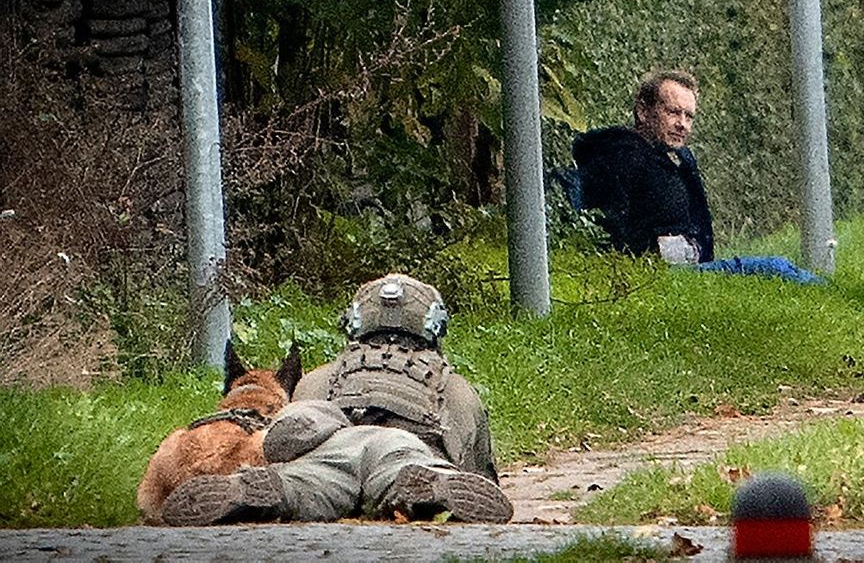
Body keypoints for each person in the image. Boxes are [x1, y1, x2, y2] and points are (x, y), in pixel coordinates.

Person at [160, 273, 513, 526]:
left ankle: (262, 488)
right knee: (400, 472)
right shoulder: (455, 387)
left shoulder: (322, 376)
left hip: (333, 444)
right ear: (433, 327)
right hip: (402, 446)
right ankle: (429, 482)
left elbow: (294, 434)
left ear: (355, 325)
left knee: (306, 484)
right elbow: (478, 473)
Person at [572, 69, 715, 263]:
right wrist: (677, 250)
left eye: (688, 116)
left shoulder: (678, 158)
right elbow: (613, 234)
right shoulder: (619, 157)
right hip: (663, 267)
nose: (683, 124)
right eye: (673, 112)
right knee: (768, 267)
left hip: (695, 264)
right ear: (643, 112)